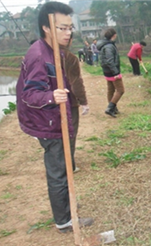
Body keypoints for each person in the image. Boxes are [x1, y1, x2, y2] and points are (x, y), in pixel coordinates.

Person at [16, 1, 93, 233]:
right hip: (47, 123)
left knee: (65, 165)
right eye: (62, 28)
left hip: (56, 119)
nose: (68, 33)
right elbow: (29, 94)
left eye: (70, 28)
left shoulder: (54, 51)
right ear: (47, 28)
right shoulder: (39, 55)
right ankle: (65, 221)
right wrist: (51, 96)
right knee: (59, 169)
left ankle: (67, 208)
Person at [62, 32, 89, 173]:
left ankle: (58, 165)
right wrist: (83, 101)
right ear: (70, 41)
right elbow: (76, 81)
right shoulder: (70, 58)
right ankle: (69, 165)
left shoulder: (43, 55)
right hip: (68, 102)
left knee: (56, 135)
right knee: (70, 133)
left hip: (48, 102)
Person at [97, 28, 124, 117]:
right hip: (112, 71)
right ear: (113, 35)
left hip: (107, 71)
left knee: (111, 90)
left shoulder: (104, 44)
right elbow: (110, 60)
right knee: (120, 90)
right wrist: (116, 72)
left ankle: (113, 108)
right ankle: (110, 107)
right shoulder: (109, 46)